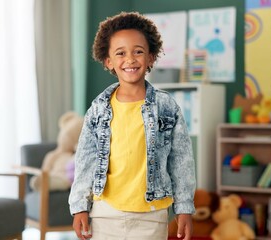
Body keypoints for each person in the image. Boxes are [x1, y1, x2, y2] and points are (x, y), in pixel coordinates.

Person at [68, 11, 196, 240]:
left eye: (138, 51)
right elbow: (85, 159)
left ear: (151, 57)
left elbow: (181, 160)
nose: (130, 59)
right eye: (120, 53)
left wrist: (184, 207)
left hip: (151, 213)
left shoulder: (167, 106)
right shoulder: (97, 110)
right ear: (108, 61)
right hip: (105, 212)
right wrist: (79, 206)